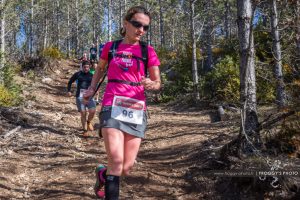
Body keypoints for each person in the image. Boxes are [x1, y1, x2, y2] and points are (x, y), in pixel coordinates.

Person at [83, 6, 161, 200]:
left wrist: (152, 84)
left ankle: (102, 174)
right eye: (137, 24)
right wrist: (93, 88)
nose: (141, 30)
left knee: (126, 168)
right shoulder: (111, 47)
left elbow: (158, 81)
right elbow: (100, 69)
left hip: (136, 107)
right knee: (116, 162)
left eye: (145, 27)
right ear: (126, 23)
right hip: (112, 104)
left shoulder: (147, 51)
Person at [67, 60, 96, 136]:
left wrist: (94, 92)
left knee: (92, 111)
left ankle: (89, 122)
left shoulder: (91, 75)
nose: (86, 68)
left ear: (89, 67)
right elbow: (70, 82)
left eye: (87, 67)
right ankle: (85, 130)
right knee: (83, 113)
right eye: (85, 67)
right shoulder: (78, 74)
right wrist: (69, 91)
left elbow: (95, 85)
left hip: (89, 97)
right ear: (82, 67)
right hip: (80, 97)